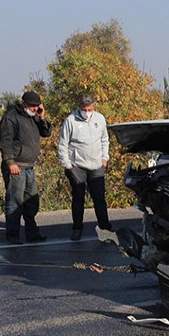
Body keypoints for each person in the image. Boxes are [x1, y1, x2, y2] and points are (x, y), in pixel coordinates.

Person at [0, 91, 52, 245]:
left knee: (31, 202)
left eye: (37, 106)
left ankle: (32, 234)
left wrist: (42, 117)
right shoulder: (11, 118)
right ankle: (13, 235)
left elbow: (46, 133)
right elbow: (5, 142)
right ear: (24, 104)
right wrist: (10, 162)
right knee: (15, 202)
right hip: (17, 167)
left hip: (29, 167)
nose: (35, 109)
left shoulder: (34, 118)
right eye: (33, 106)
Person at [57, 95, 113, 241]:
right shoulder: (71, 120)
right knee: (78, 198)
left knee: (99, 198)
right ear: (79, 107)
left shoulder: (99, 118)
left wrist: (104, 157)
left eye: (90, 109)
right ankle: (77, 228)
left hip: (97, 166)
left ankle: (105, 228)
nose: (87, 112)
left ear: (93, 106)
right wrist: (68, 165)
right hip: (77, 167)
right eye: (84, 109)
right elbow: (63, 145)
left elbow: (105, 139)